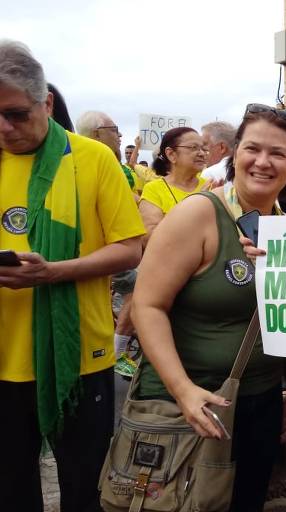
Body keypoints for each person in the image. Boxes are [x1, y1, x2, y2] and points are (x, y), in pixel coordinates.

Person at [131, 103, 286, 511]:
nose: (263, 162)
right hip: (185, 407)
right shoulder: (198, 214)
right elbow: (147, 305)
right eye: (252, 149)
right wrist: (184, 391)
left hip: (259, 404)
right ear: (234, 154)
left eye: (278, 153)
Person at [0, 40, 144, 512]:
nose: (4, 127)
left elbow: (130, 248)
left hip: (81, 357)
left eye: (16, 114)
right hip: (4, 362)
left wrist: (55, 272)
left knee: (85, 490)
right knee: (12, 490)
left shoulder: (92, 159)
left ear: (46, 103)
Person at [76, 110, 142, 377]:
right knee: (139, 289)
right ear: (96, 134)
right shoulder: (88, 162)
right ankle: (118, 351)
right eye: (114, 129)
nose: (119, 135)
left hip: (117, 245)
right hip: (111, 247)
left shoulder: (119, 167)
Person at [138, 127, 209, 239]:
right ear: (171, 154)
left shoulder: (211, 186)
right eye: (193, 147)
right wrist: (197, 204)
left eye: (203, 148)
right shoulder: (154, 189)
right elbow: (149, 239)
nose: (202, 153)